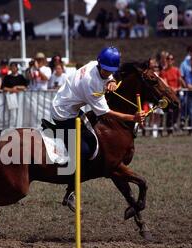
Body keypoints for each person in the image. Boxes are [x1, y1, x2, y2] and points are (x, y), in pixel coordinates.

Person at [50, 47, 146, 209]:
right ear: (100, 64)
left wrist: (112, 81)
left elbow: (109, 78)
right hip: (63, 113)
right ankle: (70, 192)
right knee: (85, 149)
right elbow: (106, 113)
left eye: (111, 71)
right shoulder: (90, 83)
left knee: (93, 141)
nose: (107, 73)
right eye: (105, 71)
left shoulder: (95, 63)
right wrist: (133, 118)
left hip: (71, 108)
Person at [160, 53, 184, 135]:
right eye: (168, 59)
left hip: (176, 93)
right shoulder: (163, 71)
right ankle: (169, 130)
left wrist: (178, 88)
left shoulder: (177, 70)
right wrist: (171, 89)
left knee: (178, 109)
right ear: (166, 60)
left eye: (171, 59)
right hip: (168, 94)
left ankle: (174, 124)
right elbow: (164, 83)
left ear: (173, 61)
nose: (169, 61)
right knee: (169, 112)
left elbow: (180, 82)